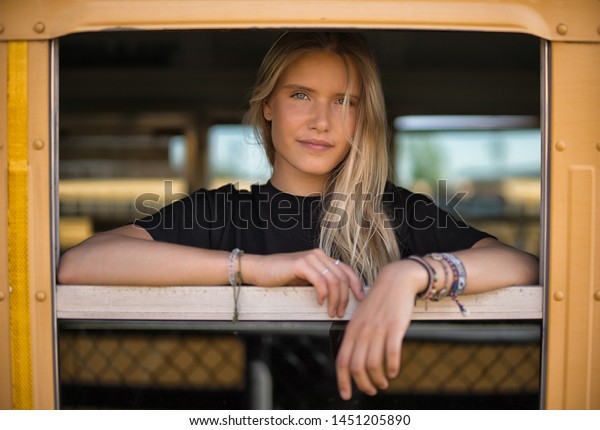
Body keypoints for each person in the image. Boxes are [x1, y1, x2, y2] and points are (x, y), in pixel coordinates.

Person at [58, 31, 539, 401]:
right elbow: (80, 264)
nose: (322, 121)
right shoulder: (222, 211)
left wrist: (410, 273)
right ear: (268, 105)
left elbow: (520, 265)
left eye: (344, 101)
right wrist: (256, 268)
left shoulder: (397, 211)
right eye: (301, 95)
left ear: (361, 117)